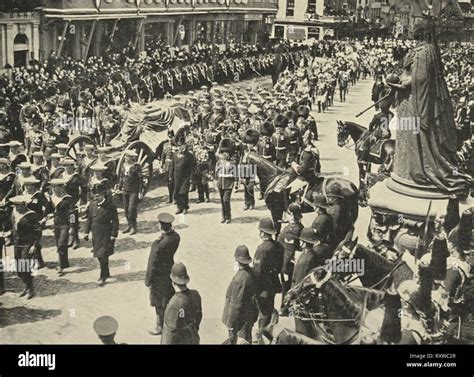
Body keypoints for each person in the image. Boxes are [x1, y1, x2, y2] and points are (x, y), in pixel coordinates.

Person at [145, 213, 181, 336]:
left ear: (161, 226)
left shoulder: (158, 245)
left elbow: (152, 263)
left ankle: (160, 326)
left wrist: (148, 280)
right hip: (168, 271)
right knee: (167, 298)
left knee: (158, 303)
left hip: (158, 276)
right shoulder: (176, 237)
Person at [253, 218, 284, 343]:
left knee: (263, 313)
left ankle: (261, 335)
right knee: (268, 306)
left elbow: (257, 272)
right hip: (273, 282)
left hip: (263, 287)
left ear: (262, 233)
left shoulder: (262, 250)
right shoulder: (278, 246)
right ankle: (272, 316)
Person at [84, 182, 119, 287]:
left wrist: (114, 234)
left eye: (98, 195)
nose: (96, 197)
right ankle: (106, 272)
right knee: (100, 256)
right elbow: (89, 219)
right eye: (94, 195)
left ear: (103, 195)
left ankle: (103, 276)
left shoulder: (110, 206)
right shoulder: (92, 205)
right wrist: (86, 232)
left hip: (106, 235)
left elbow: (115, 221)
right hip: (96, 235)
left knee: (102, 255)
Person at [222, 245, 258, 344]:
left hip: (239, 320)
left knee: (238, 341)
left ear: (237, 261)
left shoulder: (240, 279)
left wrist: (230, 323)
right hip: (248, 316)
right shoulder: (252, 273)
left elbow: (236, 304)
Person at [161, 262, 202, 345]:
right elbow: (199, 316)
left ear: (173, 282)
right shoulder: (195, 295)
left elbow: (169, 334)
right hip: (192, 338)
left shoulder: (174, 304)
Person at [9, 195, 41, 299]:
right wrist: (8, 235)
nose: (17, 208)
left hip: (27, 244)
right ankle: (27, 285)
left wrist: (34, 245)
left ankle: (30, 289)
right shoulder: (14, 213)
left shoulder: (31, 215)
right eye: (15, 206)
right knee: (19, 269)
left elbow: (38, 231)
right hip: (17, 244)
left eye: (19, 206)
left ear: (24, 205)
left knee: (24, 266)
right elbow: (13, 227)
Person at [292, 227, 322, 337]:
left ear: (304, 243)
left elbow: (299, 281)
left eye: (301, 241)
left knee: (301, 328)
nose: (299, 242)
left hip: (301, 298)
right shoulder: (312, 255)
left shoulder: (305, 260)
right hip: (309, 297)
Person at [278, 204, 304, 316]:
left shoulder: (291, 231)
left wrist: (283, 268)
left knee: (286, 286)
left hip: (288, 263)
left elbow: (289, 251)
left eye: (288, 213)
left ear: (292, 215)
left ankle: (284, 308)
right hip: (294, 261)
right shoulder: (300, 226)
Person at [61, 158, 88, 249]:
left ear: (72, 167)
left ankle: (76, 240)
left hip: (73, 202)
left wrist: (82, 201)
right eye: (65, 166)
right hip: (64, 202)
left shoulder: (77, 177)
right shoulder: (62, 176)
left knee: (73, 221)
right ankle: (70, 239)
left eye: (68, 166)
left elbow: (84, 188)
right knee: (66, 221)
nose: (66, 168)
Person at [49, 178, 73, 276]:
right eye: (53, 187)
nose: (54, 189)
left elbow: (72, 213)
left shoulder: (68, 199)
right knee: (58, 243)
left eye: (57, 187)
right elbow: (49, 210)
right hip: (56, 224)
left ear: (62, 187)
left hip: (65, 224)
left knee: (61, 244)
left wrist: (72, 226)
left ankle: (60, 266)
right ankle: (65, 262)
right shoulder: (51, 198)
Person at [117, 150, 143, 235]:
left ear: (131, 158)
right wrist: (119, 187)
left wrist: (140, 192)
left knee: (131, 209)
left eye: (127, 156)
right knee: (126, 210)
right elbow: (121, 177)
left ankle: (134, 227)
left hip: (133, 191)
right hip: (125, 190)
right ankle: (129, 225)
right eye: (125, 156)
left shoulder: (136, 167)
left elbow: (140, 180)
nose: (125, 158)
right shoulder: (124, 165)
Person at [169, 136, 195, 215]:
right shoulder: (174, 154)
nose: (179, 147)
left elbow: (192, 168)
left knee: (184, 193)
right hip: (176, 177)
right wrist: (170, 176)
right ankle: (179, 207)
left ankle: (185, 207)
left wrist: (191, 178)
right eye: (178, 146)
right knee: (177, 192)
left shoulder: (189, 155)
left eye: (180, 145)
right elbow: (172, 166)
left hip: (185, 177)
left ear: (184, 145)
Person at [215, 139, 235, 224]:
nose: (224, 154)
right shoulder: (219, 162)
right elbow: (216, 172)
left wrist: (236, 183)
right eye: (223, 152)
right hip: (220, 183)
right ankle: (223, 216)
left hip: (228, 184)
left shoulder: (232, 162)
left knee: (226, 200)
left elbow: (234, 174)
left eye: (226, 152)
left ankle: (228, 216)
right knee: (222, 201)